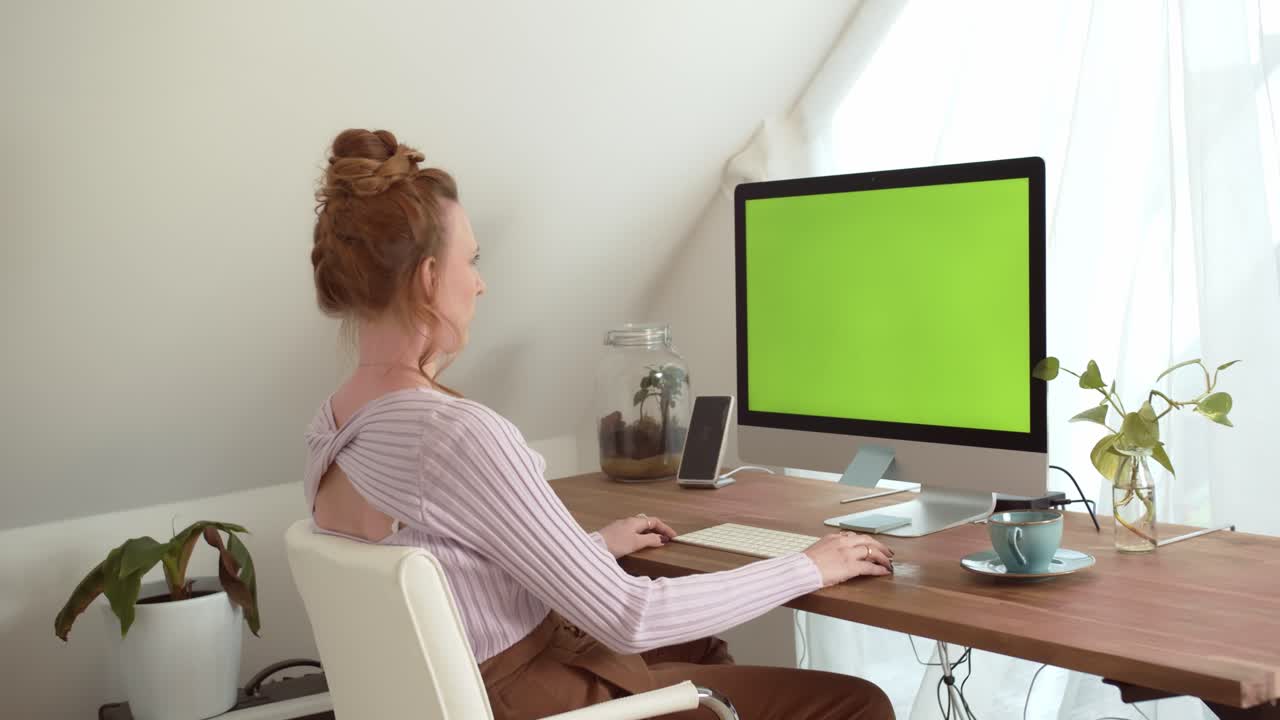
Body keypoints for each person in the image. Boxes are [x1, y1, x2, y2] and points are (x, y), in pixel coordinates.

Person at [304, 128, 896, 720]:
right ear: (430, 278)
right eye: (472, 260)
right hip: (531, 699)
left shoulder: (333, 424)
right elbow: (629, 615)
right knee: (856, 702)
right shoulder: (456, 433)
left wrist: (590, 549)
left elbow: (443, 575)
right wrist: (810, 566)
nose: (480, 282)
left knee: (699, 646)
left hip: (463, 688)